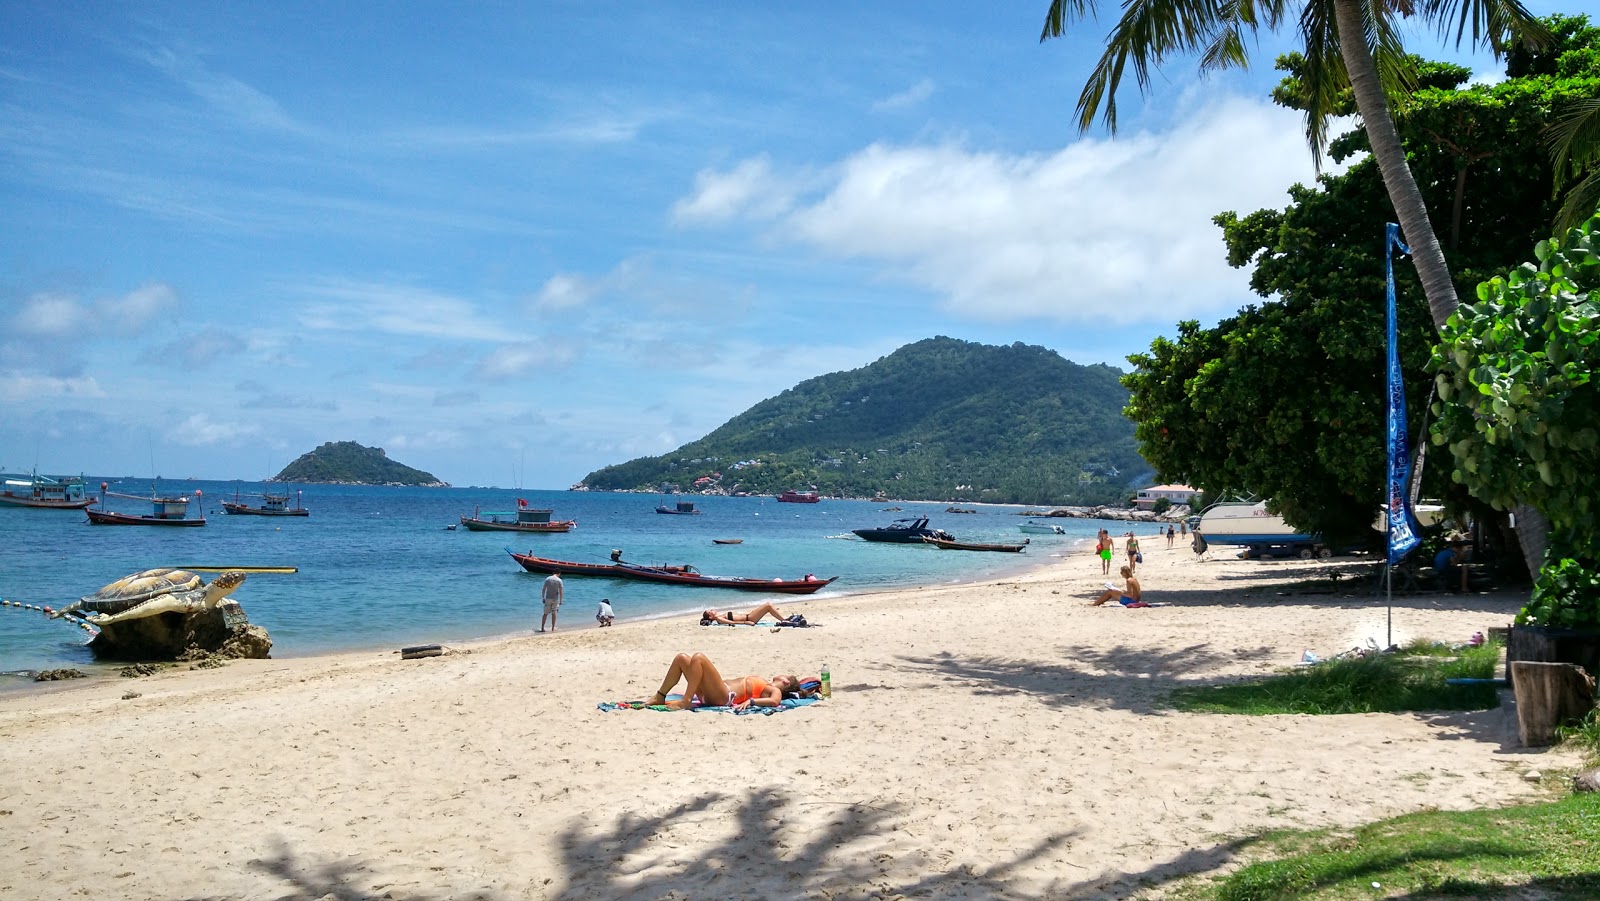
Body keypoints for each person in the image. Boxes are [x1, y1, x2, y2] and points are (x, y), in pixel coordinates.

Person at [646, 652, 816, 711]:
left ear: (785, 681)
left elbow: (774, 701)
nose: (779, 674)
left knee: (698, 657)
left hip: (724, 696)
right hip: (713, 693)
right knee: (682, 658)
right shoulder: (767, 684)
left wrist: (751, 701)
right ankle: (660, 695)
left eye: (783, 674)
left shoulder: (775, 689)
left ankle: (686, 701)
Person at [701, 601, 788, 626]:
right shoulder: (719, 619)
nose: (712, 610)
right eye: (710, 611)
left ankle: (784, 620)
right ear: (711, 617)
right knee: (768, 605)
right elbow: (732, 622)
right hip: (749, 618)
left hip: (749, 615)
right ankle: (784, 620)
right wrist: (746, 623)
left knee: (768, 605)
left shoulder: (720, 617)